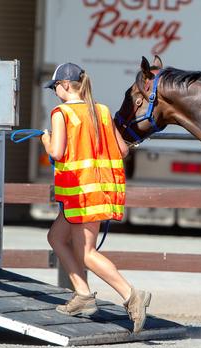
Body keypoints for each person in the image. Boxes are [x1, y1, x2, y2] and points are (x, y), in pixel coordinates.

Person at [40, 62, 150, 334]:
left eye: (55, 87)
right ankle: (83, 294)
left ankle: (131, 296)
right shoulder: (101, 111)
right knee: (55, 237)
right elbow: (123, 150)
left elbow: (56, 151)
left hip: (81, 192)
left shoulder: (60, 113)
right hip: (98, 191)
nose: (55, 92)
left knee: (87, 253)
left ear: (66, 85)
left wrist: (45, 140)